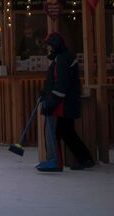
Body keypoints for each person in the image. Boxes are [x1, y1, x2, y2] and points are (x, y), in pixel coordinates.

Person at [37, 32, 95, 171]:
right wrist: (46, 92)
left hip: (62, 104)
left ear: (56, 45)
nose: (48, 49)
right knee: (66, 132)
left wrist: (51, 102)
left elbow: (61, 84)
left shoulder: (62, 59)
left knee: (57, 132)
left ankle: (56, 162)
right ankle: (84, 158)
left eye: (50, 46)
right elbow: (56, 81)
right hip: (65, 102)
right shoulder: (62, 57)